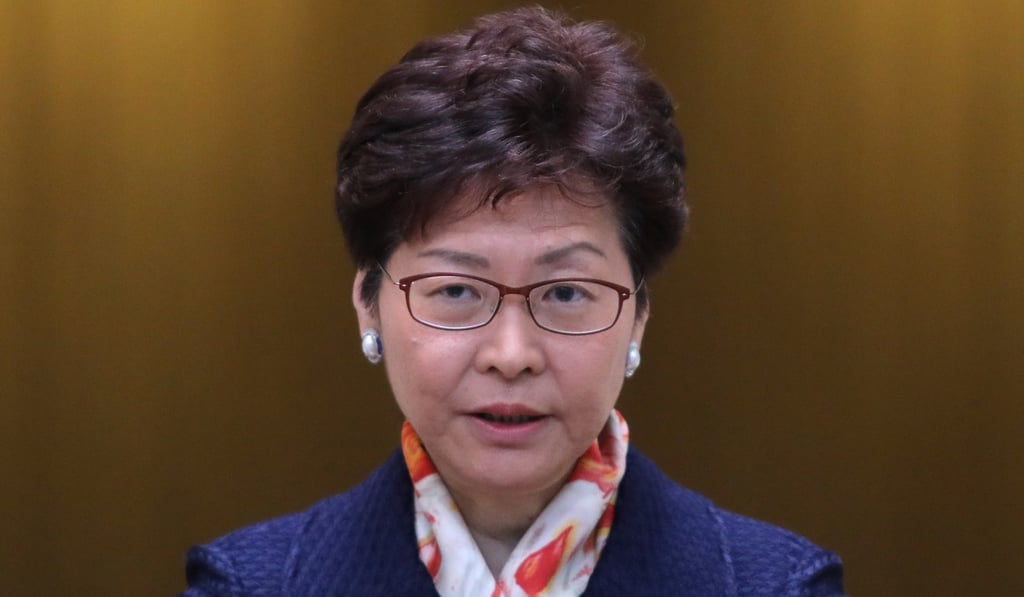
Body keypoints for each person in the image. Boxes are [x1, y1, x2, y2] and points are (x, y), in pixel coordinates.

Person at [181, 6, 844, 596]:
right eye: (457, 290)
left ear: (638, 313)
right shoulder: (252, 584)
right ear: (368, 304)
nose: (511, 354)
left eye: (564, 292)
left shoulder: (776, 584)